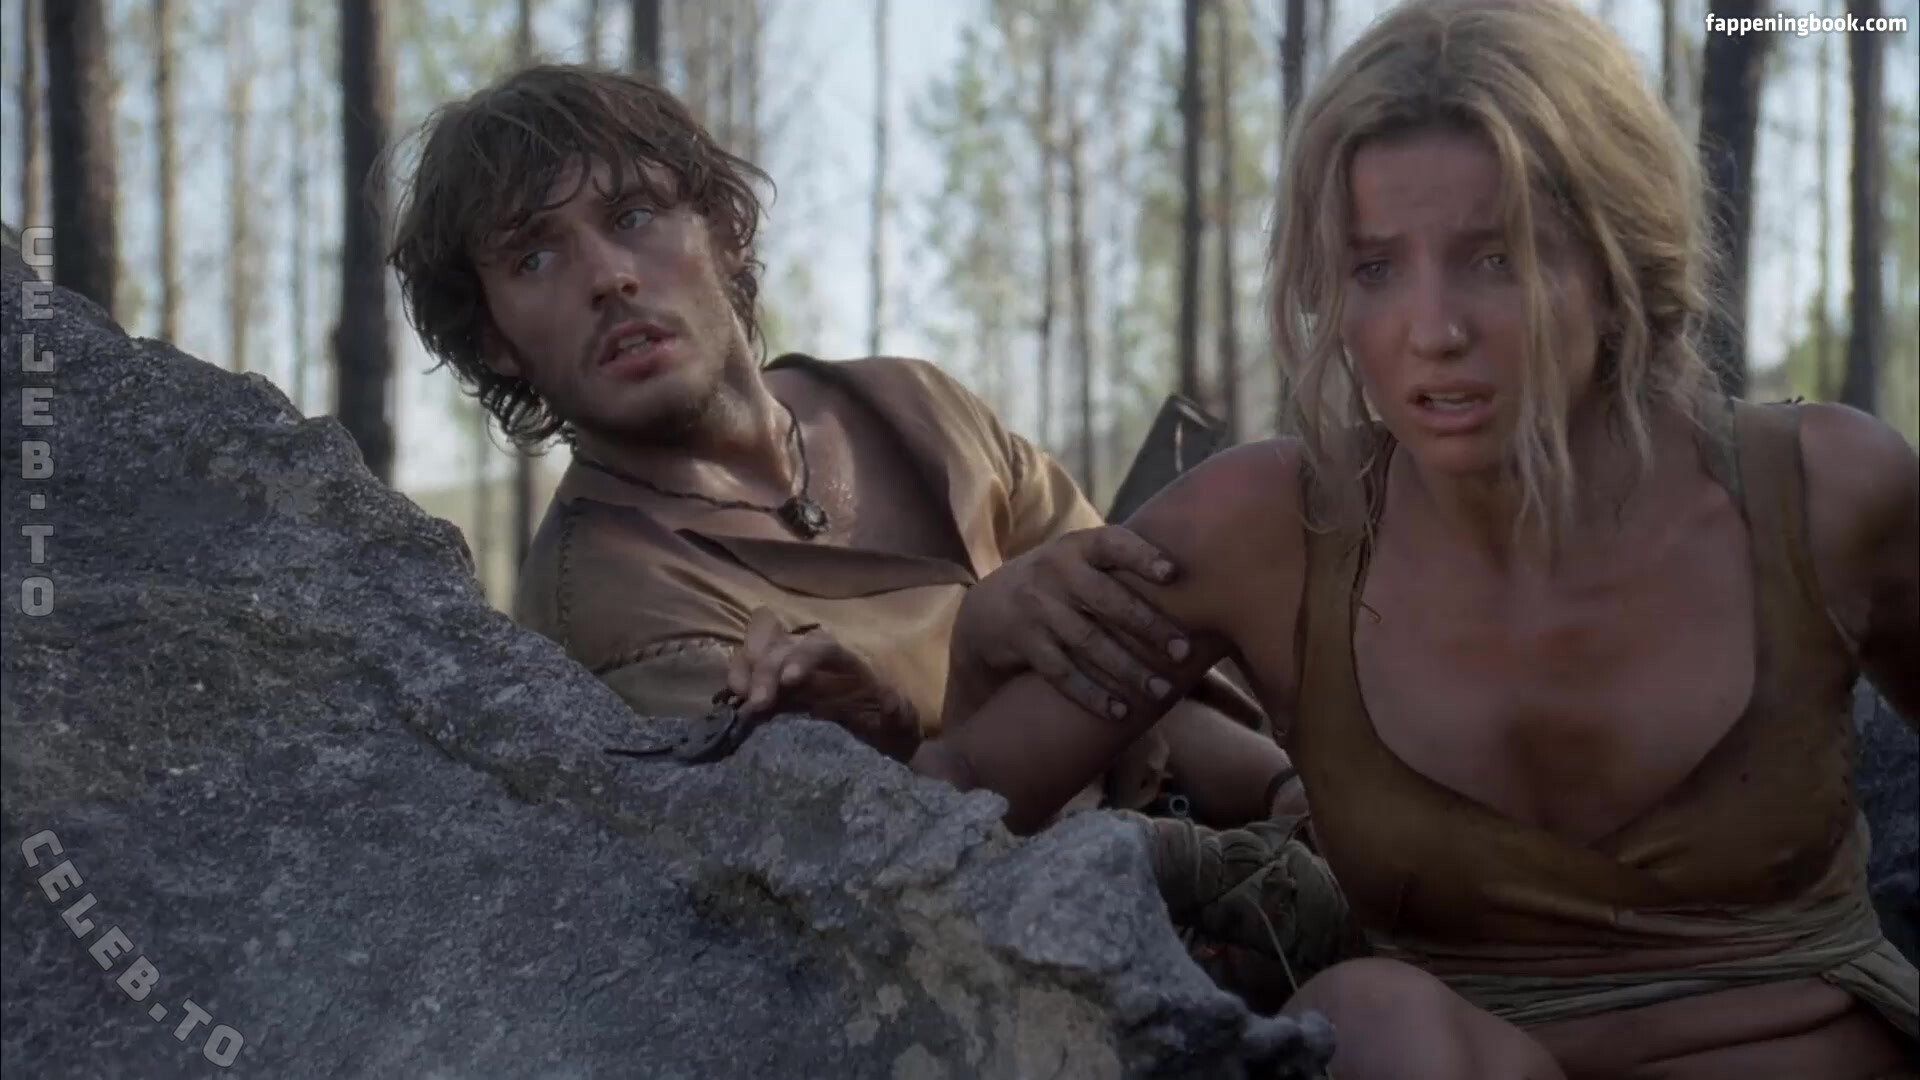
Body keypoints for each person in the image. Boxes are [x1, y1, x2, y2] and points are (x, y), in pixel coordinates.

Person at [763, 1, 1920, 1076]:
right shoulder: (1269, 530)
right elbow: (967, 800)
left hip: (1802, 1047)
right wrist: (911, 692)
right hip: (1451, 1061)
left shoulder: (1824, 495)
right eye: (1374, 268)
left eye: (1498, 257)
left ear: (1618, 263)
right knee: (1371, 1014)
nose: (1432, 329)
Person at [382, 64, 1306, 832]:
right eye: (535, 257)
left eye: (632, 216)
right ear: (497, 339)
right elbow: (873, 883)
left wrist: (1287, 802)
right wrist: (929, 702)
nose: (609, 277)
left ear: (724, 231)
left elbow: (1153, 648)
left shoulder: (914, 405)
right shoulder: (611, 607)